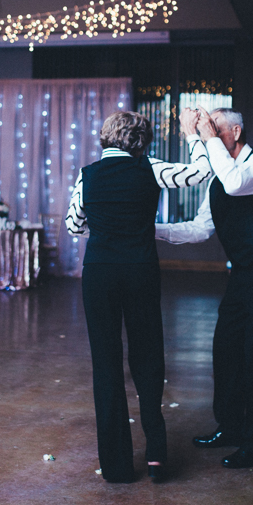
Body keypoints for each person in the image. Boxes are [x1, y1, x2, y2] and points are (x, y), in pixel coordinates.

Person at [66, 109, 212, 484]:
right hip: (139, 271)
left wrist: (104, 230)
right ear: (140, 140)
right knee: (147, 357)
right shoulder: (151, 168)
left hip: (99, 273)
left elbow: (73, 226)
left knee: (106, 364)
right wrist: (193, 135)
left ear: (107, 137)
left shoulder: (87, 174)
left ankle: (116, 466)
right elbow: (201, 172)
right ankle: (157, 454)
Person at [155, 108, 253, 469]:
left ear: (235, 130)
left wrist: (204, 137)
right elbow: (199, 229)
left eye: (214, 127)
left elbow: (234, 182)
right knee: (226, 349)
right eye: (206, 127)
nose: (208, 132)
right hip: (243, 274)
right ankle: (231, 426)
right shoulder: (218, 177)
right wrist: (150, 230)